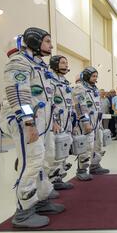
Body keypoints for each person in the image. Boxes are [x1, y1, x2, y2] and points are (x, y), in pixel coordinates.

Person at [0, 27, 64, 228]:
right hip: (24, 121)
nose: (50, 45)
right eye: (46, 41)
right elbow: (19, 94)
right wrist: (28, 122)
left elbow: (45, 97)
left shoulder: (40, 67)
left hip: (41, 122)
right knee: (33, 161)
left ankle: (41, 200)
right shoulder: (19, 62)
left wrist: (51, 119)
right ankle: (23, 212)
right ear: (34, 42)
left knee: (44, 159)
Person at [73, 67, 110, 180]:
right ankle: (82, 170)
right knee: (87, 146)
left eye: (96, 76)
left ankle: (95, 165)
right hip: (87, 122)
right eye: (93, 76)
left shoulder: (94, 89)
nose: (95, 78)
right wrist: (85, 122)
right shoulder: (80, 87)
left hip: (96, 121)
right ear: (86, 76)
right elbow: (80, 106)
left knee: (98, 145)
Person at [46, 55, 75, 191]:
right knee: (55, 150)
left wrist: (71, 124)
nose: (65, 65)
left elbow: (69, 103)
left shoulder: (64, 81)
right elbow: (49, 102)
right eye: (63, 63)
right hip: (56, 121)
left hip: (66, 120)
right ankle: (52, 180)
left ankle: (59, 176)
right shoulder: (49, 80)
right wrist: (53, 121)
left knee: (63, 147)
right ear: (55, 64)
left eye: (66, 63)